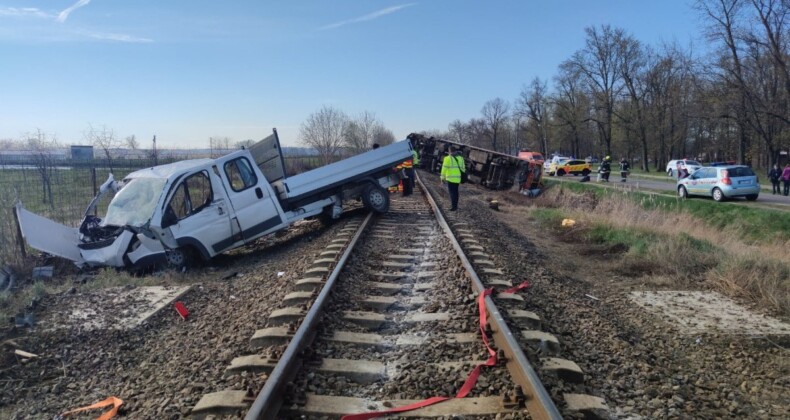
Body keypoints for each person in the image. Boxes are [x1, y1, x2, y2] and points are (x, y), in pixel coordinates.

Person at [441, 146, 465, 211]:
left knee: (452, 193)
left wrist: (442, 178)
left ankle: (453, 207)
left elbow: (444, 169)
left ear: (449, 151)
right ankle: (455, 206)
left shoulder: (447, 158)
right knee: (456, 192)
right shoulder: (461, 158)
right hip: (458, 179)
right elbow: (463, 169)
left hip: (450, 178)